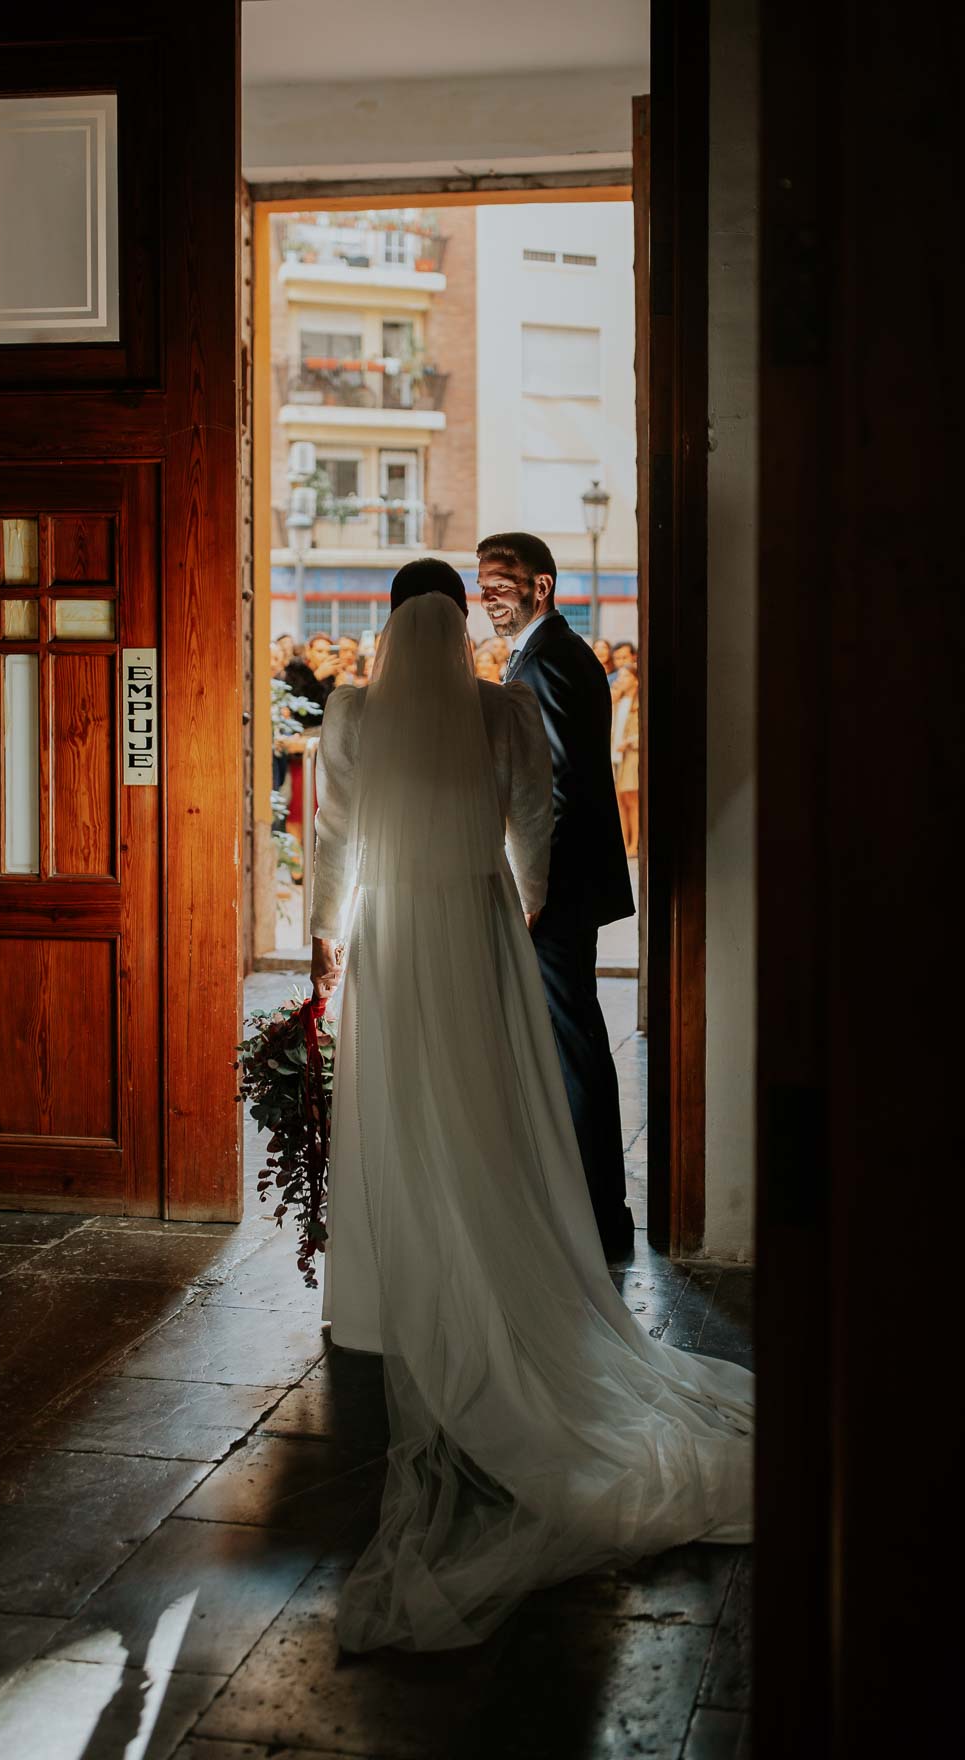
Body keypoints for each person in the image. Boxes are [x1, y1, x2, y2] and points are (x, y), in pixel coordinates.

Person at [309, 561, 752, 1655]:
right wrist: (527, 890)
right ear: (459, 620)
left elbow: (329, 833)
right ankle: (498, 1241)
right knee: (493, 1097)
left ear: (384, 621)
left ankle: (379, 1289)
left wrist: (327, 931)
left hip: (393, 937)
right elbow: (536, 814)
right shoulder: (500, 704)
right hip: (476, 922)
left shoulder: (355, 712)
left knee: (394, 1097)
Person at [477, 532, 636, 1259]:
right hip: (568, 881)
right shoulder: (552, 653)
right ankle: (594, 1209)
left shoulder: (545, 662)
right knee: (569, 1040)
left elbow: (560, 786)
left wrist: (532, 889)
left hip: (558, 886)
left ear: (539, 587)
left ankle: (599, 1218)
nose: (486, 594)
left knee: (570, 1044)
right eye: (480, 582)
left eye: (499, 582)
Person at [613, 662, 641, 858]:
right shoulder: (618, 702)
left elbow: (642, 732)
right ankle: (623, 840)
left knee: (632, 799)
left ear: (635, 680)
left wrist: (630, 741)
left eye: (624, 677)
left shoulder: (639, 704)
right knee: (620, 801)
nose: (619, 680)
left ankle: (634, 843)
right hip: (616, 755)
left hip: (632, 755)